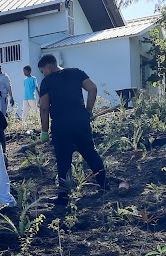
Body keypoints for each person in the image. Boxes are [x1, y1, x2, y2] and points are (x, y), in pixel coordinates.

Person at [37, 54, 123, 196]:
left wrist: (44, 131)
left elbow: (44, 108)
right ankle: (104, 185)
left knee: (63, 160)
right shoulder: (76, 72)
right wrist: (88, 110)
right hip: (80, 121)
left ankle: (64, 195)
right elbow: (92, 88)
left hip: (61, 125)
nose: (43, 74)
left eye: (42, 71)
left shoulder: (47, 81)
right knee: (90, 153)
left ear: (48, 66)